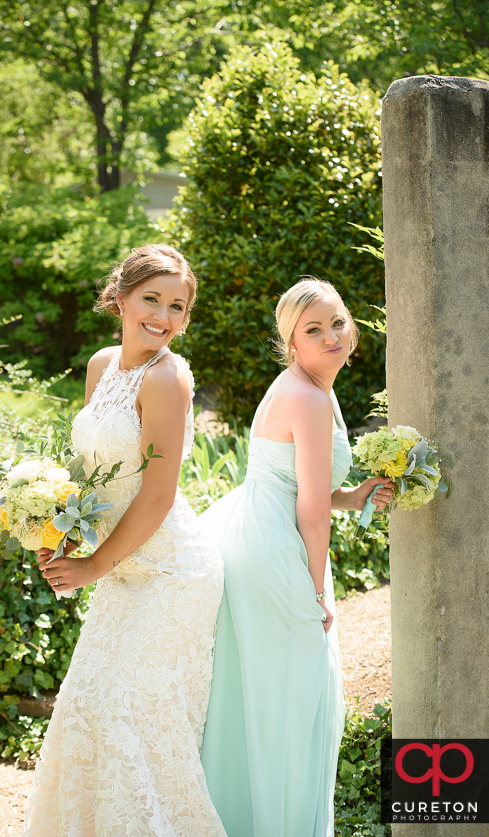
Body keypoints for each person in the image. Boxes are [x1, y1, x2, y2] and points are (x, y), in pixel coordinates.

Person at [21, 244, 227, 837]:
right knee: (84, 709)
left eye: (178, 306)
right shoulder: (101, 364)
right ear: (120, 298)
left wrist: (94, 567)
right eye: (152, 299)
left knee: (126, 716)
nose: (163, 316)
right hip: (118, 567)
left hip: (170, 572)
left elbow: (158, 494)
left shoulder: (169, 379)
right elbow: (92, 474)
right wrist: (59, 533)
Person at [199, 277, 394, 837]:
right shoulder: (308, 396)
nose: (331, 335)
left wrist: (352, 497)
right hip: (276, 550)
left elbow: (299, 486)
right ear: (291, 343)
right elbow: (308, 510)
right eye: (314, 329)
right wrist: (314, 593)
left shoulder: (313, 388)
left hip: (264, 529)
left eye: (338, 322)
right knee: (294, 695)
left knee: (268, 693)